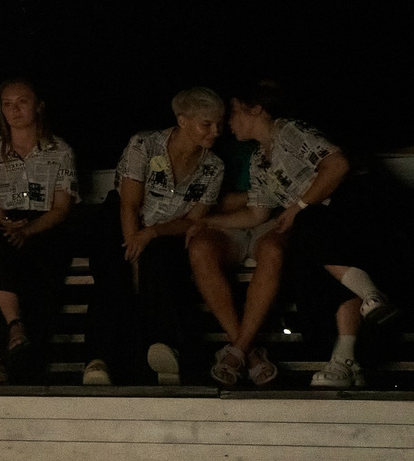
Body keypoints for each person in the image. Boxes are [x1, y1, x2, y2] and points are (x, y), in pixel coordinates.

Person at [207, 85, 394, 388]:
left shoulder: (289, 131)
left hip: (355, 206)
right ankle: (349, 349)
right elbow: (257, 214)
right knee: (312, 247)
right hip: (320, 227)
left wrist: (299, 206)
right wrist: (204, 222)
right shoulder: (258, 160)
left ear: (256, 109)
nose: (227, 122)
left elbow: (337, 165)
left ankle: (369, 303)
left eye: (234, 111)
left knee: (308, 228)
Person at [109, 88, 234, 386]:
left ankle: (167, 351)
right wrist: (134, 250)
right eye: (206, 124)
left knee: (163, 259)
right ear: (182, 121)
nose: (215, 131)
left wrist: (152, 233)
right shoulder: (145, 144)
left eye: (219, 123)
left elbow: (194, 219)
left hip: (169, 232)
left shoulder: (213, 166)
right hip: (129, 224)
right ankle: (158, 353)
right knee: (135, 272)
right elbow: (129, 203)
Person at [0, 79, 76, 384]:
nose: (14, 110)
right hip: (5, 223)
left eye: (22, 102)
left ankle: (7, 357)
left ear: (38, 106)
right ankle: (12, 333)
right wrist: (1, 219)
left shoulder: (60, 151)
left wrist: (28, 231)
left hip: (44, 225)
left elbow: (61, 207)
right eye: (7, 104)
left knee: (29, 268)